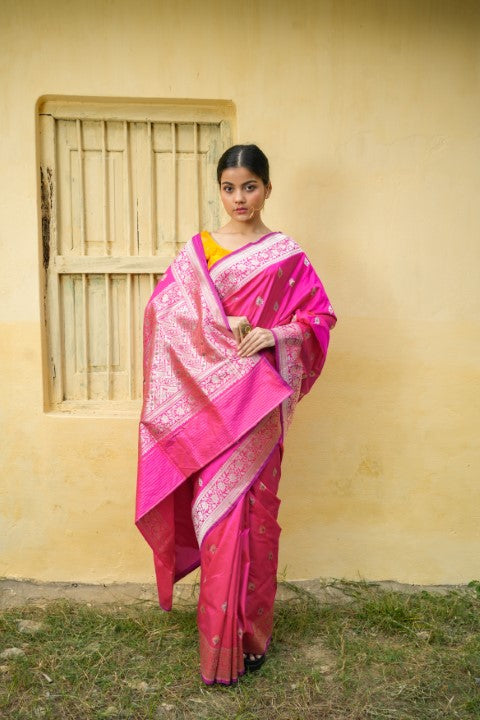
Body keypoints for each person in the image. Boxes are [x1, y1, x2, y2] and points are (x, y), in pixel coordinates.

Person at [135, 144, 337, 685]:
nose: (239, 198)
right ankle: (218, 644)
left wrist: (277, 334)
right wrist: (218, 331)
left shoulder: (287, 255)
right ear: (220, 190)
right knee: (220, 522)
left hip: (259, 407)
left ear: (267, 189)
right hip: (211, 412)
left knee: (259, 521)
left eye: (249, 186)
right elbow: (162, 316)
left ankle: (253, 638)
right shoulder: (198, 251)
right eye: (229, 188)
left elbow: (319, 319)